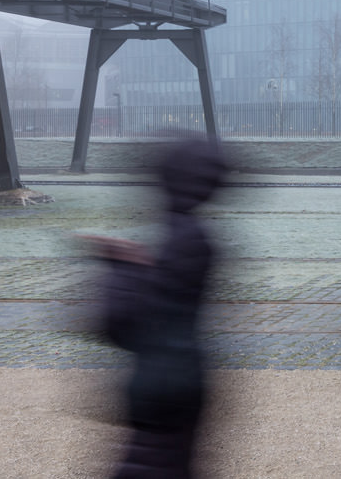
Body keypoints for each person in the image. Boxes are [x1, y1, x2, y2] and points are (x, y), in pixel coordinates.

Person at [87, 133, 227, 478]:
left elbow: (122, 323)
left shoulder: (180, 238)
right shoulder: (196, 236)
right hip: (180, 381)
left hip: (162, 384)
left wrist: (121, 267)